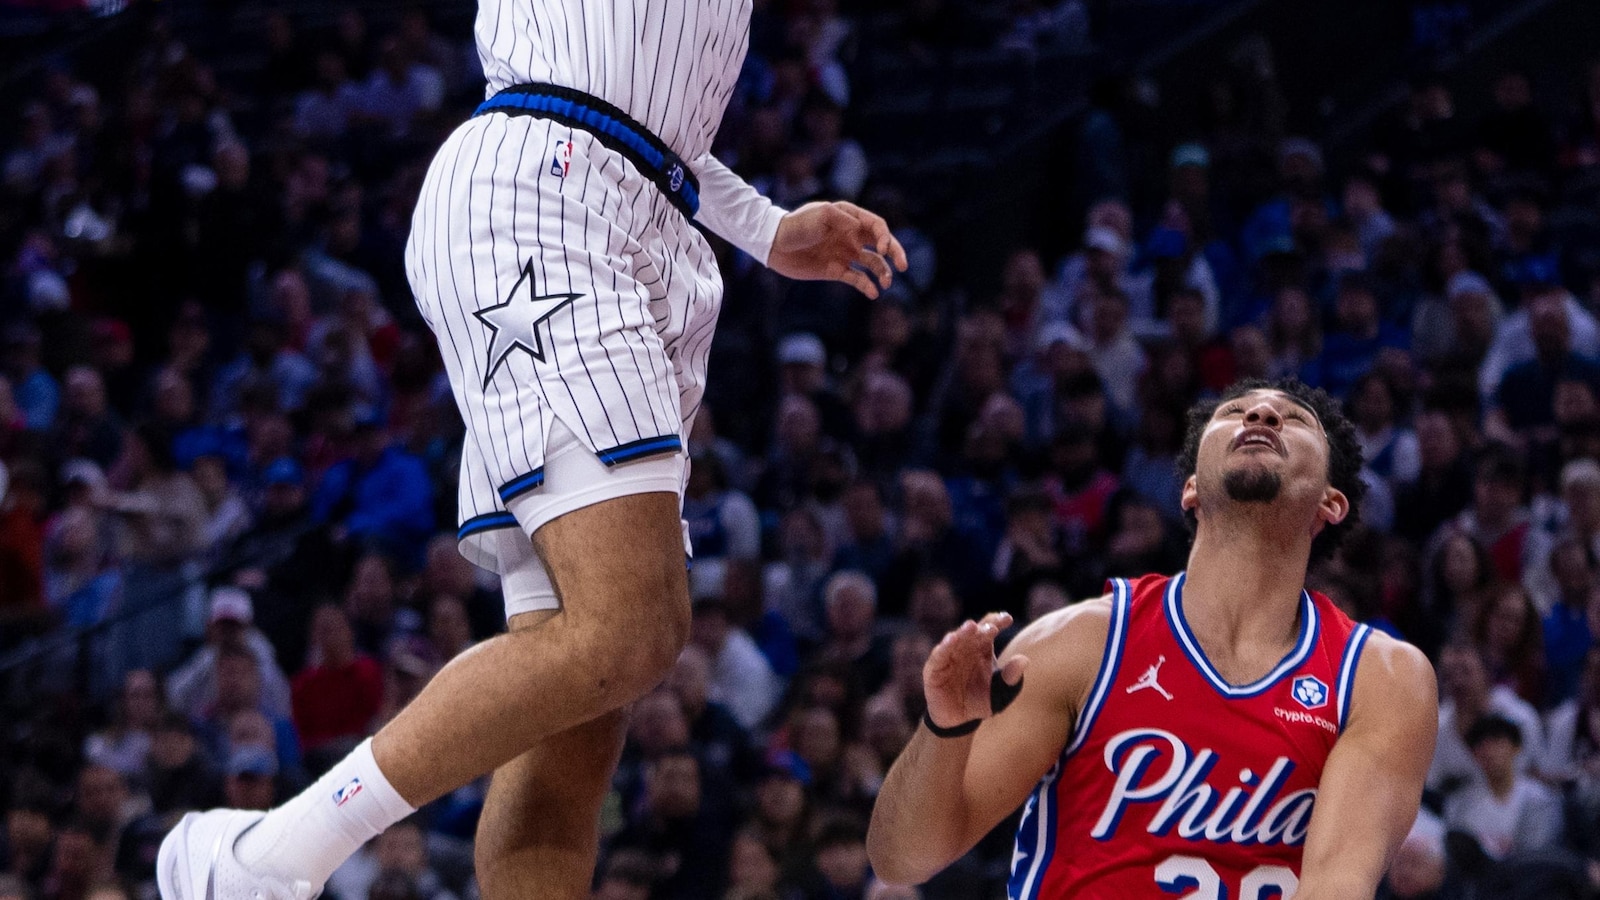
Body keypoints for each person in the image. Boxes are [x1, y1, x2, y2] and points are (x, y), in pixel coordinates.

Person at [156, 2, 908, 897]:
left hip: (632, 203)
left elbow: (643, 107)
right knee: (631, 628)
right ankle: (268, 860)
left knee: (582, 705)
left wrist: (765, 227)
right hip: (549, 196)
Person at [866, 379, 1437, 897]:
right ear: (1190, 489)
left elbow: (1336, 884)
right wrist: (944, 729)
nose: (1261, 414)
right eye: (1236, 411)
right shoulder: (1081, 643)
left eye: (1294, 419)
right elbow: (903, 859)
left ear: (1332, 501)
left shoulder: (1377, 678)